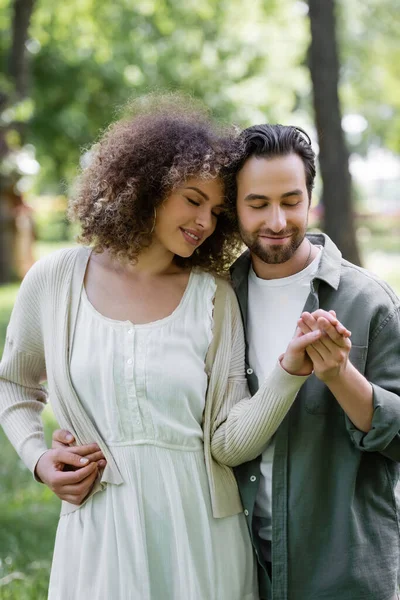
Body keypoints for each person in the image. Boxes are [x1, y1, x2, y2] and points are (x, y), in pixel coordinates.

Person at [0, 98, 326, 600]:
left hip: (203, 537)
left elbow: (227, 442)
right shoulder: (55, 280)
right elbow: (14, 384)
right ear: (147, 185)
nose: (204, 222)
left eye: (217, 211)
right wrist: (39, 459)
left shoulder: (213, 297)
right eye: (192, 199)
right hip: (99, 532)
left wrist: (289, 371)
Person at [221, 123, 400, 600]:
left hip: (344, 574)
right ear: (234, 206)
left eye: (291, 201)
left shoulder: (370, 303)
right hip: (242, 569)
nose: (277, 221)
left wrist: (340, 376)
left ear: (309, 197)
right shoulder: (216, 301)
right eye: (258, 204)